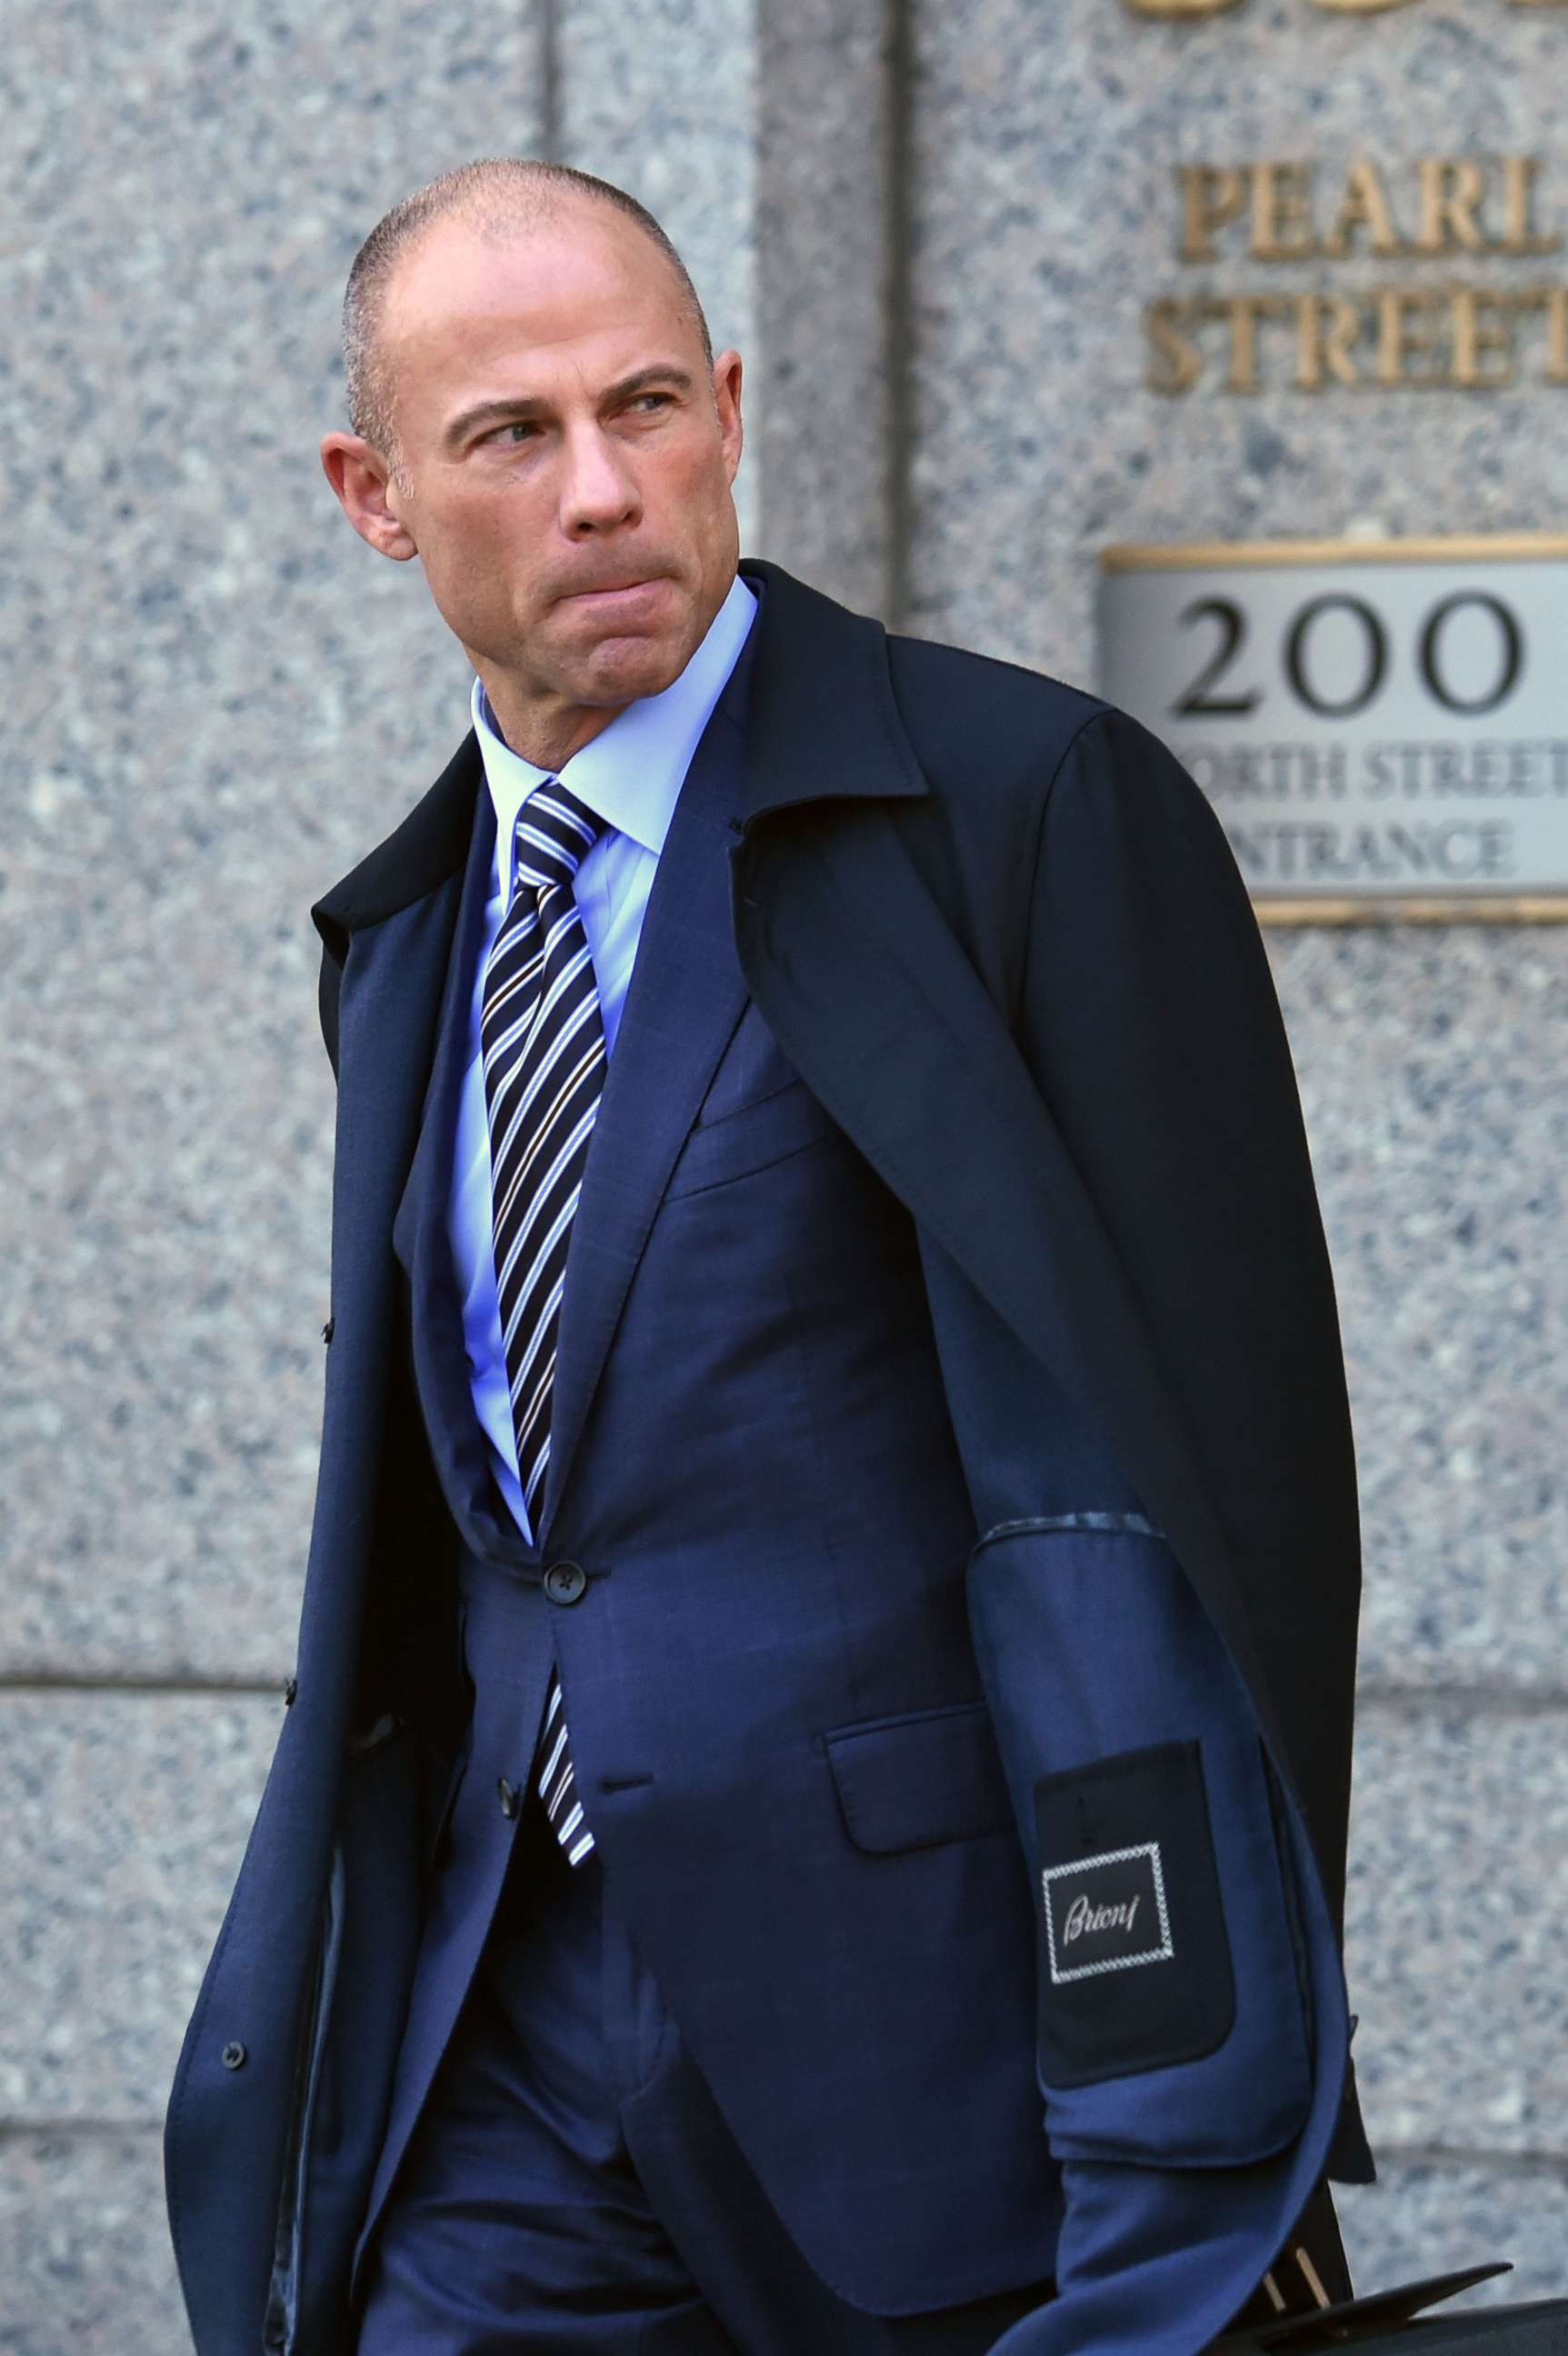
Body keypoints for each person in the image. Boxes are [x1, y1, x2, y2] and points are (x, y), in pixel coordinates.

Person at [164, 158, 1372, 2356]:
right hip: (506, 2059)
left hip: (934, 2077)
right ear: (371, 492)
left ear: (727, 406)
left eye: (646, 408)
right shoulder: (407, 936)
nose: (603, 491)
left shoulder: (1025, 814)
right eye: (511, 437)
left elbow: (1171, 1516)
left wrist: (1181, 2143)